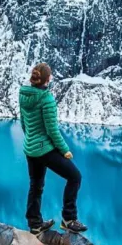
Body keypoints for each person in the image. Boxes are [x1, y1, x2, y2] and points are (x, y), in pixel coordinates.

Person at [19, 62, 87, 234]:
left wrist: (31, 140)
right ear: (47, 79)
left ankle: (35, 224)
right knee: (75, 177)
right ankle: (68, 219)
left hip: (30, 149)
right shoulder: (46, 99)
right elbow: (52, 130)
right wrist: (65, 150)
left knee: (36, 186)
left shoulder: (24, 94)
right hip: (44, 149)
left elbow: (23, 122)